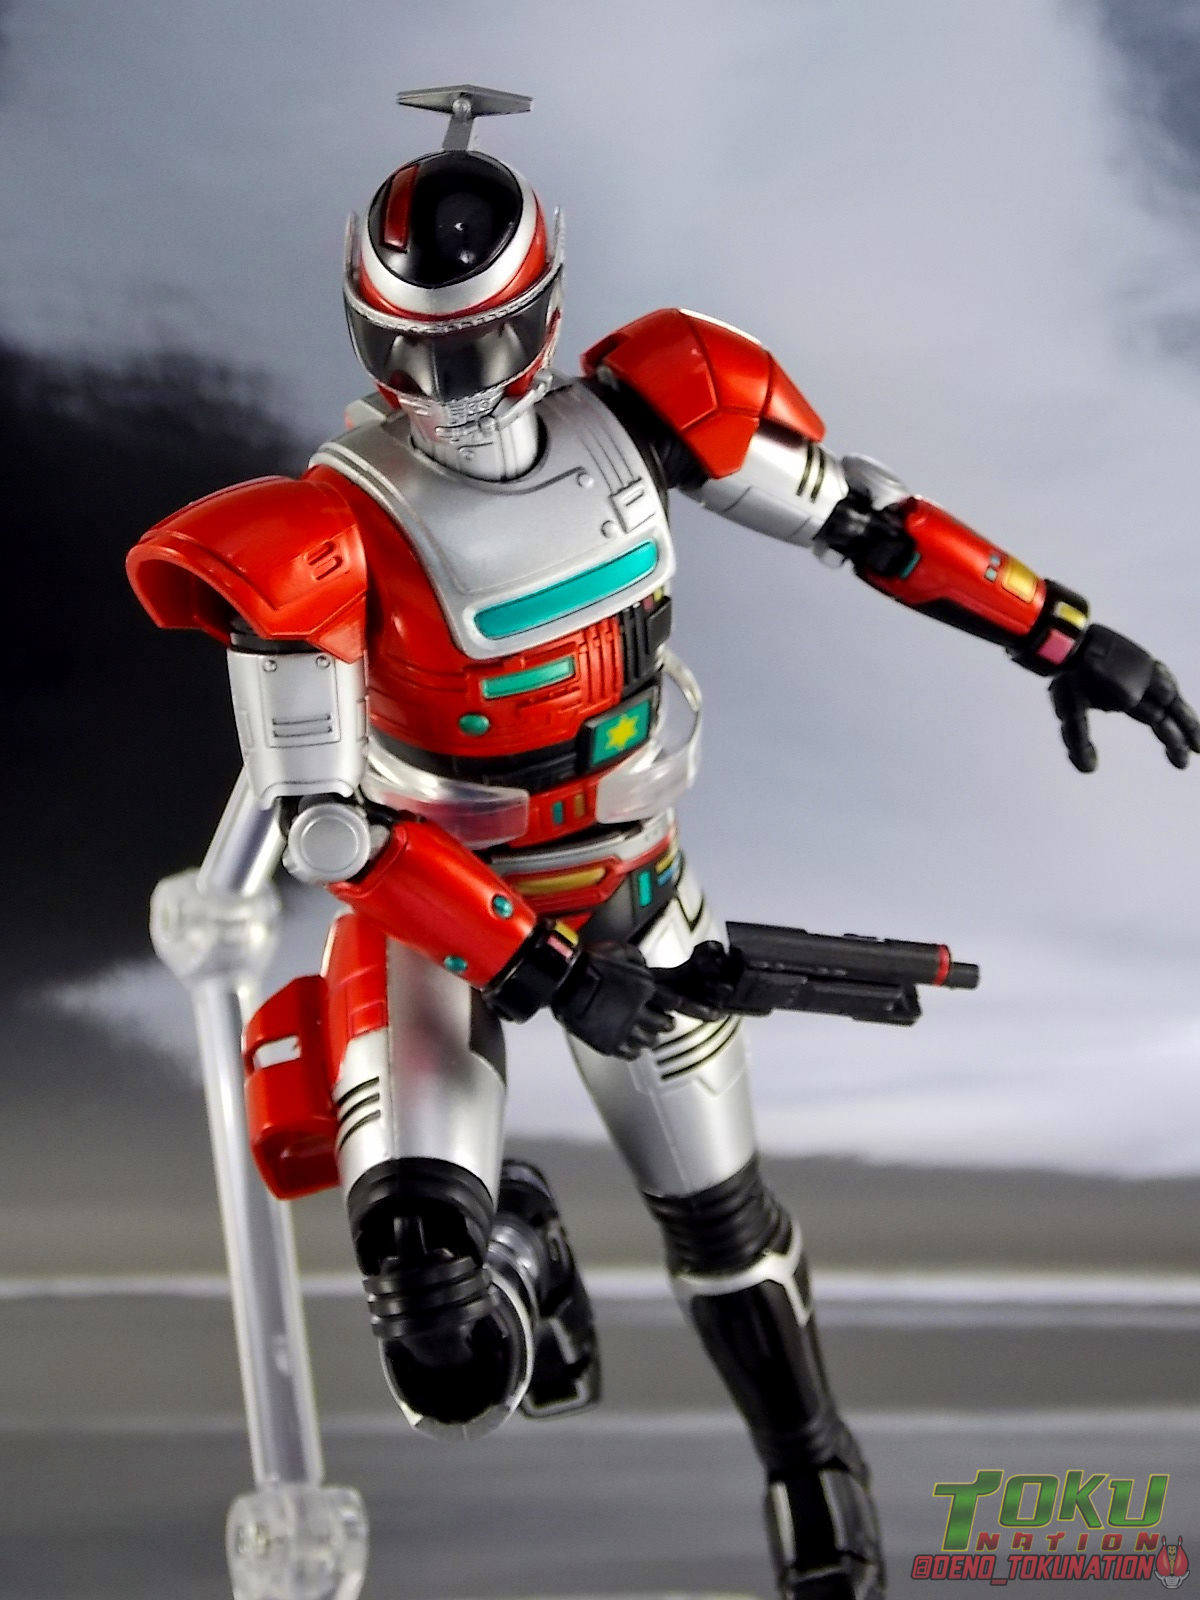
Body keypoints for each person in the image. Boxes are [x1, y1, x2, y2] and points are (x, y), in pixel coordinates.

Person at [126, 87, 1199, 1600]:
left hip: (627, 887)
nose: (450, 390)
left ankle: (810, 1458)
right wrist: (547, 974)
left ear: (544, 319)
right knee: (437, 1332)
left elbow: (869, 520)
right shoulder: (321, 537)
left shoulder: (649, 415)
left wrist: (1064, 636)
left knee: (723, 1226)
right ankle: (515, 1246)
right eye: (412, 355)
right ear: (368, 340)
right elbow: (327, 831)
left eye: (478, 347)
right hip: (438, 913)